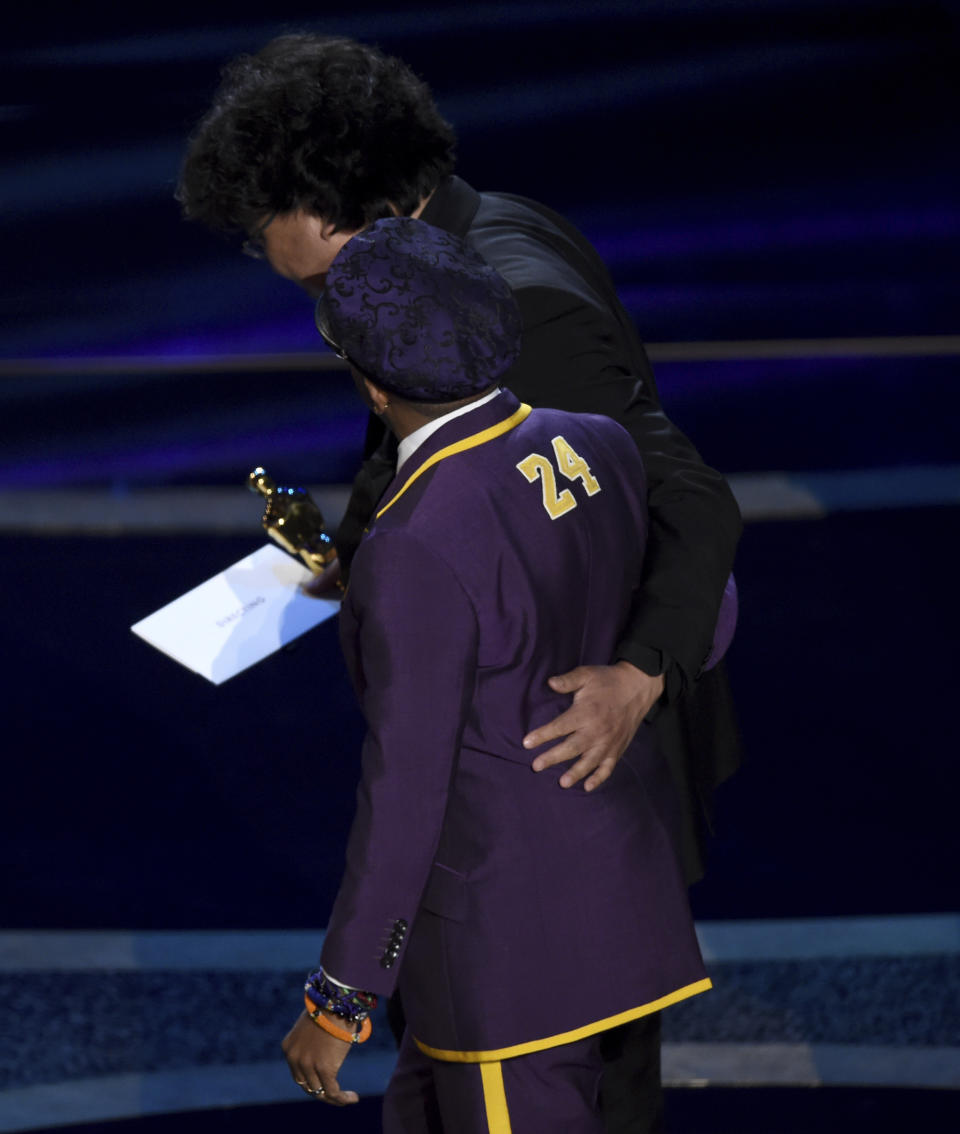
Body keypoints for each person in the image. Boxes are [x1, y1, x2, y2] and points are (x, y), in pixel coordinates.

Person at [177, 34, 741, 1131]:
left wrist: (640, 672)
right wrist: (357, 564)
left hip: (558, 805)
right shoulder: (443, 273)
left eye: (322, 286)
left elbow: (693, 506)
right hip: (550, 820)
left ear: (378, 219)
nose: (324, 320)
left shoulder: (515, 308)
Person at [280, 215, 714, 1132]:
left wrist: (340, 999)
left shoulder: (412, 545)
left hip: (507, 965)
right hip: (614, 901)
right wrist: (638, 674)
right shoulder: (599, 441)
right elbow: (713, 610)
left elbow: (406, 795)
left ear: (369, 383)